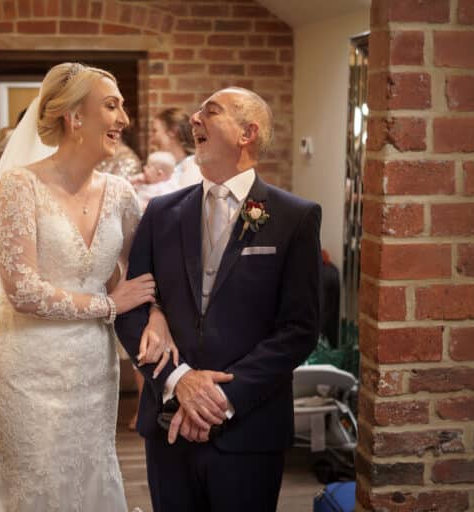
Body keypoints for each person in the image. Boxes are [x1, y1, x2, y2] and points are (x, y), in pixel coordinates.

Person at [0, 62, 177, 511]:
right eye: (112, 107)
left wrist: (157, 313)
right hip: (24, 367)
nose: (124, 120)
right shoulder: (19, 186)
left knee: (88, 475)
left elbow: (147, 274)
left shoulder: (120, 193)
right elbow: (23, 291)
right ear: (75, 118)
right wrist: (109, 305)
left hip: (92, 369)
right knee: (31, 486)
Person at [115, 87, 322, 511]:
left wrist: (221, 399)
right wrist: (180, 382)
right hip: (168, 424)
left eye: (210, 112)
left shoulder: (294, 216)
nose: (194, 120)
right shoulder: (161, 213)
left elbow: (298, 329)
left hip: (250, 426)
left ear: (248, 132)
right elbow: (132, 308)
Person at [150, 107, 202, 188]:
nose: (151, 140)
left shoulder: (193, 167)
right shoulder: (163, 166)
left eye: (155, 131)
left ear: (172, 132)